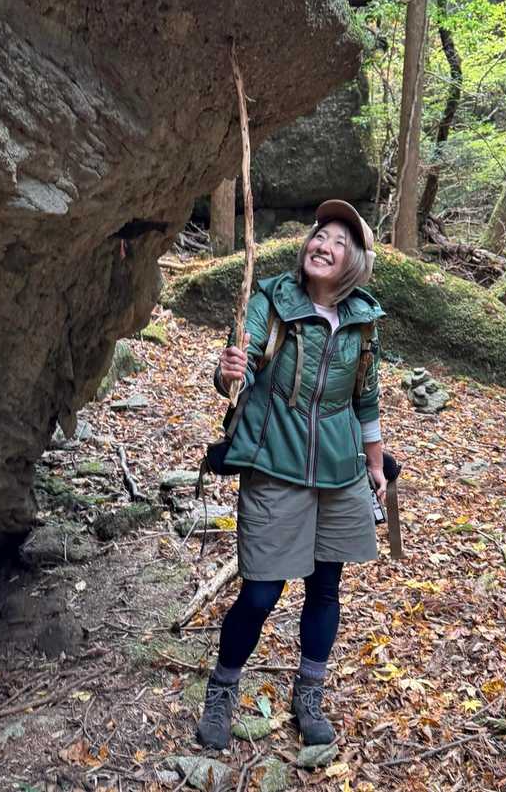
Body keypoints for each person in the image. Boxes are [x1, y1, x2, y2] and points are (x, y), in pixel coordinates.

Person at [196, 200, 386, 750]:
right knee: (261, 592)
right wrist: (229, 369)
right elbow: (241, 365)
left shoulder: (364, 322)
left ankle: (309, 694)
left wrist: (376, 465)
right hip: (274, 464)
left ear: (355, 262)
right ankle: (222, 691)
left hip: (340, 473)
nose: (323, 245)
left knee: (325, 589)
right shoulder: (272, 301)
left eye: (339, 242)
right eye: (319, 235)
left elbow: (366, 399)